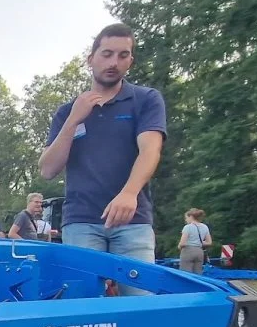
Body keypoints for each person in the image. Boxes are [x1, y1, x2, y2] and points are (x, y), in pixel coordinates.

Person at [38, 23, 167, 293]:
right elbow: (48, 169)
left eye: (123, 55)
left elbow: (150, 150)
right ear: (91, 58)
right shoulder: (66, 112)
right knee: (81, 309)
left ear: (131, 61)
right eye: (107, 54)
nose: (114, 62)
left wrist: (129, 193)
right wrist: (74, 119)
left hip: (133, 223)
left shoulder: (146, 99)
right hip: (81, 222)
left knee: (141, 306)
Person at [176, 208, 212, 274]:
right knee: (198, 274)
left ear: (191, 217)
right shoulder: (205, 227)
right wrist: (199, 242)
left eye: (186, 218)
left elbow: (183, 243)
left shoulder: (187, 227)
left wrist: (179, 246)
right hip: (199, 252)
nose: (186, 220)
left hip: (188, 251)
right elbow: (209, 242)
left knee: (186, 274)